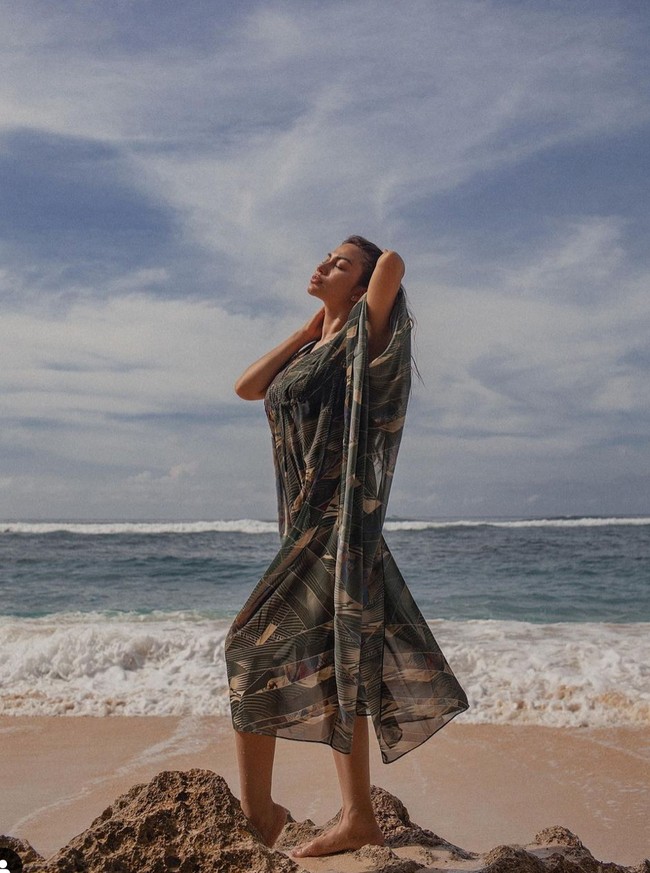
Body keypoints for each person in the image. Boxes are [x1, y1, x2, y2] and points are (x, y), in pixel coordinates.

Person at [225, 236, 468, 858]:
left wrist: (363, 292)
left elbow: (392, 264)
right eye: (324, 257)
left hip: (338, 525)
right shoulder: (316, 349)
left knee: (249, 646)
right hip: (307, 525)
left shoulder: (368, 339)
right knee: (341, 666)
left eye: (338, 263)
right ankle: (355, 816)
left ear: (362, 287)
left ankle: (260, 815)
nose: (321, 265)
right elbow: (249, 387)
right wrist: (309, 327)